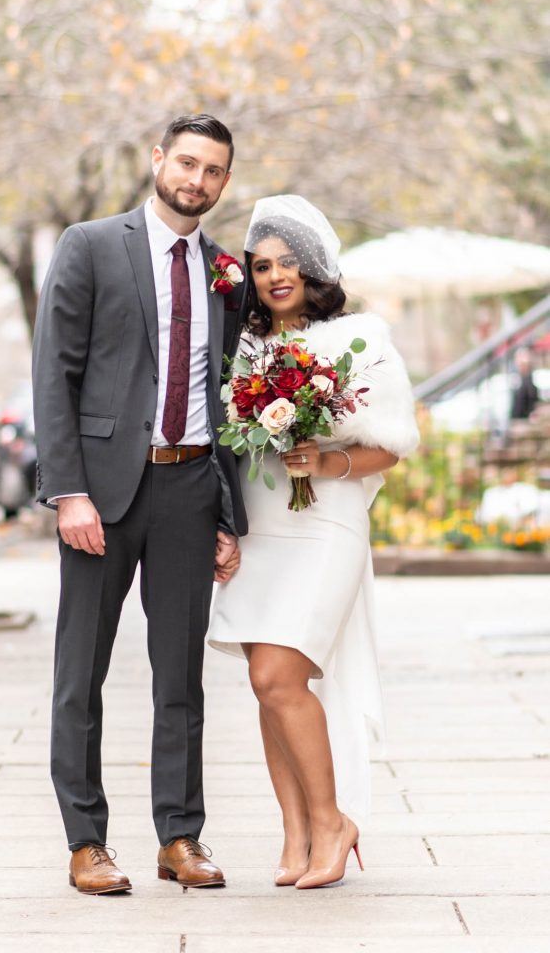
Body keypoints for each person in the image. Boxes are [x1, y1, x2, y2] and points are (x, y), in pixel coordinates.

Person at [32, 114, 248, 895]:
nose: (197, 180)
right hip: (102, 493)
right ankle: (86, 840)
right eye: (186, 162)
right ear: (158, 160)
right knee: (80, 669)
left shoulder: (228, 270)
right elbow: (52, 373)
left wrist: (227, 515)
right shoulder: (90, 246)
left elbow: (227, 396)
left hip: (191, 486)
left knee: (179, 674)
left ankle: (179, 835)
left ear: (224, 182)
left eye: (213, 170)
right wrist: (68, 493)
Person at [207, 195, 419, 889]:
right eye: (262, 264)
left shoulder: (360, 341)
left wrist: (330, 463)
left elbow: (391, 446)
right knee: (268, 686)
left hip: (326, 524)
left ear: (315, 268)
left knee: (279, 677)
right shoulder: (242, 349)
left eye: (287, 263)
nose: (273, 276)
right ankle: (295, 834)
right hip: (262, 526)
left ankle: (333, 820)